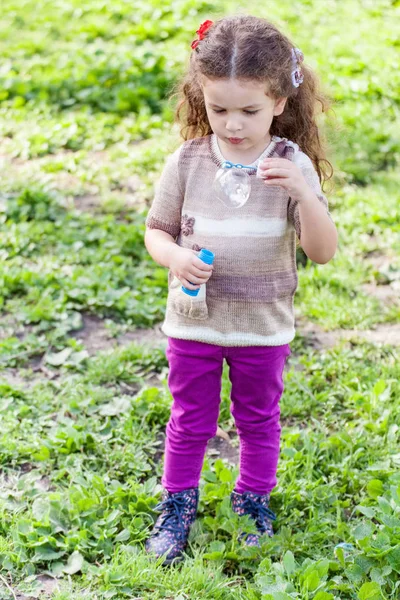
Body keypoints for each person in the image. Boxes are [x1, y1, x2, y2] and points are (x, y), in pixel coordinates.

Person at [143, 14, 338, 565]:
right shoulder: (188, 162)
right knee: (190, 418)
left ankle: (253, 500)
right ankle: (177, 502)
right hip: (194, 321)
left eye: (248, 111)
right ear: (198, 97)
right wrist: (177, 256)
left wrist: (305, 193)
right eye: (217, 109)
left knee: (258, 418)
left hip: (262, 327)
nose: (232, 124)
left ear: (279, 102)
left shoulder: (289, 165)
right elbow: (156, 231)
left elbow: (321, 251)